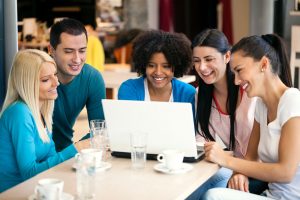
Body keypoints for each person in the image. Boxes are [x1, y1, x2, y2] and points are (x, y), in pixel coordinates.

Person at [203, 34, 300, 199]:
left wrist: (225, 160)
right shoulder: (261, 105)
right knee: (216, 182)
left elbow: (286, 172)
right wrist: (240, 173)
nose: (236, 81)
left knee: (213, 196)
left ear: (263, 64)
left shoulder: (292, 100)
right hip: (270, 195)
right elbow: (251, 158)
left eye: (239, 71)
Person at [0, 49, 89, 192]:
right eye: (46, 80)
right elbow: (29, 173)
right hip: (13, 193)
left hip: (33, 190)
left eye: (55, 75)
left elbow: (52, 158)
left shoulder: (40, 112)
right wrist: (76, 149)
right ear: (28, 84)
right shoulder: (19, 113)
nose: (56, 83)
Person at [187, 29, 257, 200]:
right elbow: (201, 139)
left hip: (259, 172)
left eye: (209, 59)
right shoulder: (200, 95)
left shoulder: (250, 91)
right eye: (196, 61)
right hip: (235, 169)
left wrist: (239, 169)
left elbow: (264, 148)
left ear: (227, 57)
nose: (202, 67)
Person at [48, 18, 106, 151]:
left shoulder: (92, 78)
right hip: (36, 157)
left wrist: (75, 149)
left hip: (65, 152)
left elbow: (99, 131)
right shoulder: (36, 76)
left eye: (82, 50)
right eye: (68, 51)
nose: (77, 59)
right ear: (51, 50)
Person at [118, 30, 196, 113]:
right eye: (151, 65)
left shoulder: (187, 93)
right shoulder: (130, 89)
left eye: (166, 66)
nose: (158, 72)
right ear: (144, 65)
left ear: (177, 66)